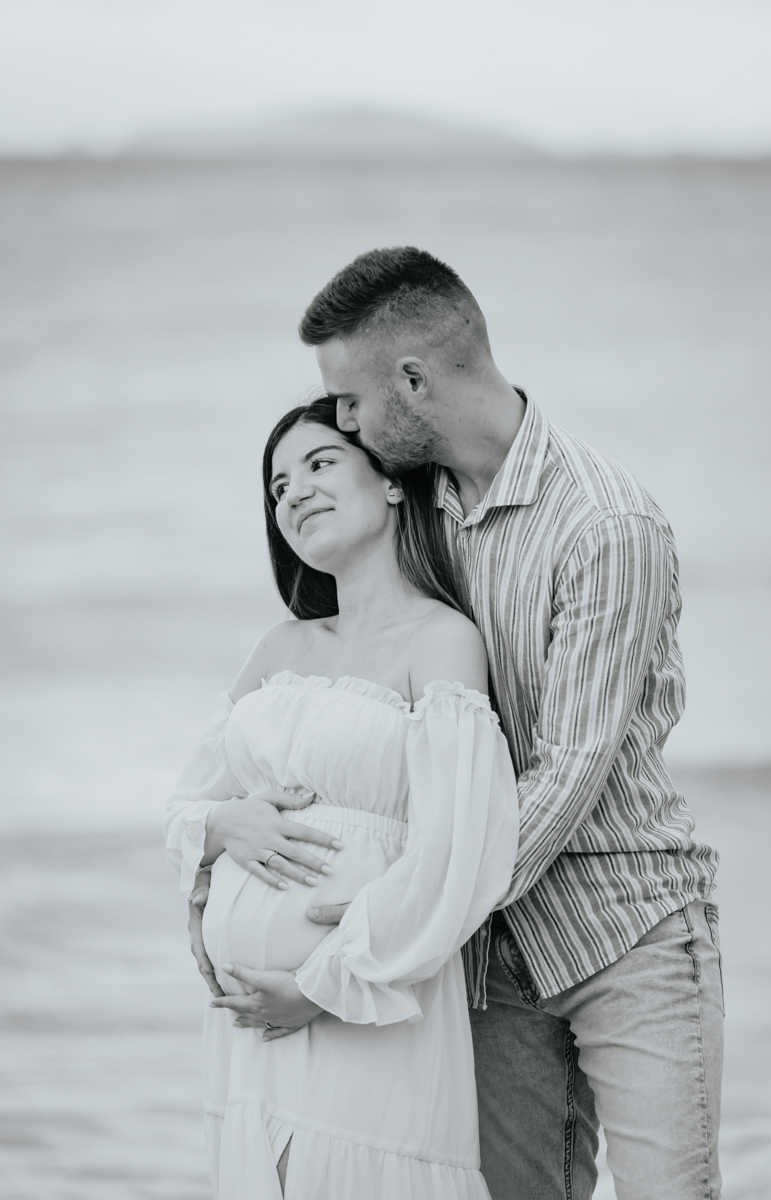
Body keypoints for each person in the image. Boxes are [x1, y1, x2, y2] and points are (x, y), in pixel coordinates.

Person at [188, 247, 723, 1200]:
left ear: (413, 380)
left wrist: (393, 923)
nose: (341, 422)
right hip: (483, 964)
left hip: (621, 928)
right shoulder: (414, 504)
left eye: (348, 401)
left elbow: (570, 770)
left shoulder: (605, 526)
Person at [165, 395, 520, 1199]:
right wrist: (224, 827)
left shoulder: (442, 640)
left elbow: (458, 851)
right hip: (251, 1033)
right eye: (278, 486)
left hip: (369, 1011)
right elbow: (189, 807)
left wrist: (325, 985)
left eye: (319, 465)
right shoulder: (278, 647)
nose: (294, 493)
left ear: (393, 484)